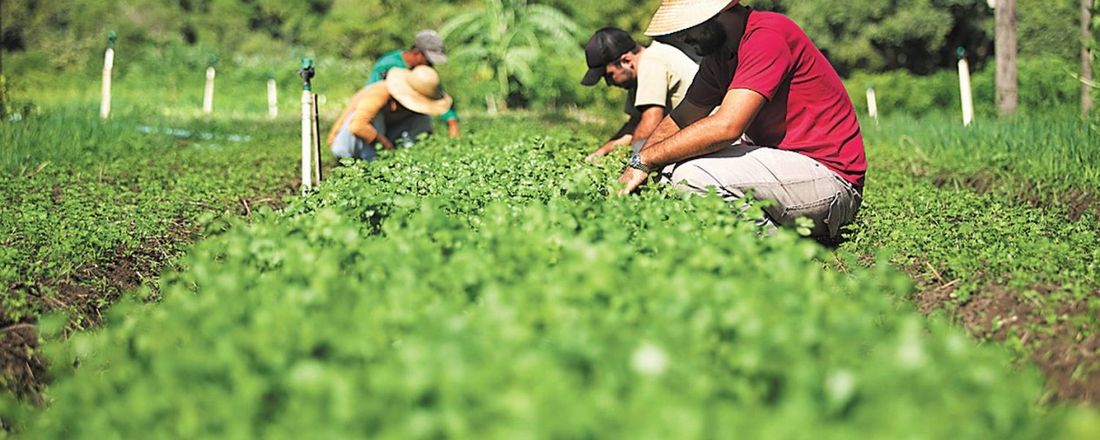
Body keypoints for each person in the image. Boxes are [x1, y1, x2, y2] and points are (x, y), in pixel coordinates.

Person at [618, 0, 866, 239]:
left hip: (832, 181)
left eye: (685, 27)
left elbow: (726, 127)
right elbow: (682, 118)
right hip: (787, 170)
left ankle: (774, 255)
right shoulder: (719, 58)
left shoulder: (768, 36)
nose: (681, 37)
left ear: (715, 13)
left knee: (691, 177)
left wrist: (646, 159)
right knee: (671, 166)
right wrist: (636, 165)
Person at [580, 27, 700, 162]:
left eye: (609, 75)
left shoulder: (651, 60)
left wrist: (631, 164)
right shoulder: (638, 74)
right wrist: (600, 153)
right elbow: (635, 126)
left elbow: (650, 122)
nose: (608, 83)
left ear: (626, 61)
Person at [327, 66, 453, 161]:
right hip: (346, 145)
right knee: (376, 117)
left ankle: (405, 159)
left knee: (423, 120)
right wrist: (386, 146)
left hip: (383, 141)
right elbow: (357, 127)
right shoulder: (379, 93)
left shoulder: (413, 110)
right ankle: (371, 165)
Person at [368, 30, 461, 137]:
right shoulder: (388, 65)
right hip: (381, 120)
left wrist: (452, 121)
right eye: (429, 60)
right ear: (417, 53)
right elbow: (370, 96)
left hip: (404, 122)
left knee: (423, 119)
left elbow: (437, 96)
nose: (431, 65)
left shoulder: (424, 72)